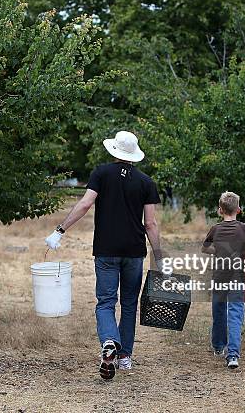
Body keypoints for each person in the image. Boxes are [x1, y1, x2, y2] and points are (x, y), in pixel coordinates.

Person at [45, 131, 162, 380]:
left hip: (106, 250)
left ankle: (109, 341)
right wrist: (160, 255)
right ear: (134, 155)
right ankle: (125, 357)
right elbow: (150, 224)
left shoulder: (101, 173)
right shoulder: (146, 182)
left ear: (114, 151)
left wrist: (60, 230)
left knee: (106, 302)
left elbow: (85, 204)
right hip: (134, 251)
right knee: (129, 304)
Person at [201, 191, 245, 369]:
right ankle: (233, 355)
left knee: (218, 310)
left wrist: (220, 251)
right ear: (239, 209)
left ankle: (218, 347)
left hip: (220, 276)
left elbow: (204, 249)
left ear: (220, 210)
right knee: (235, 313)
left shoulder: (215, 229)